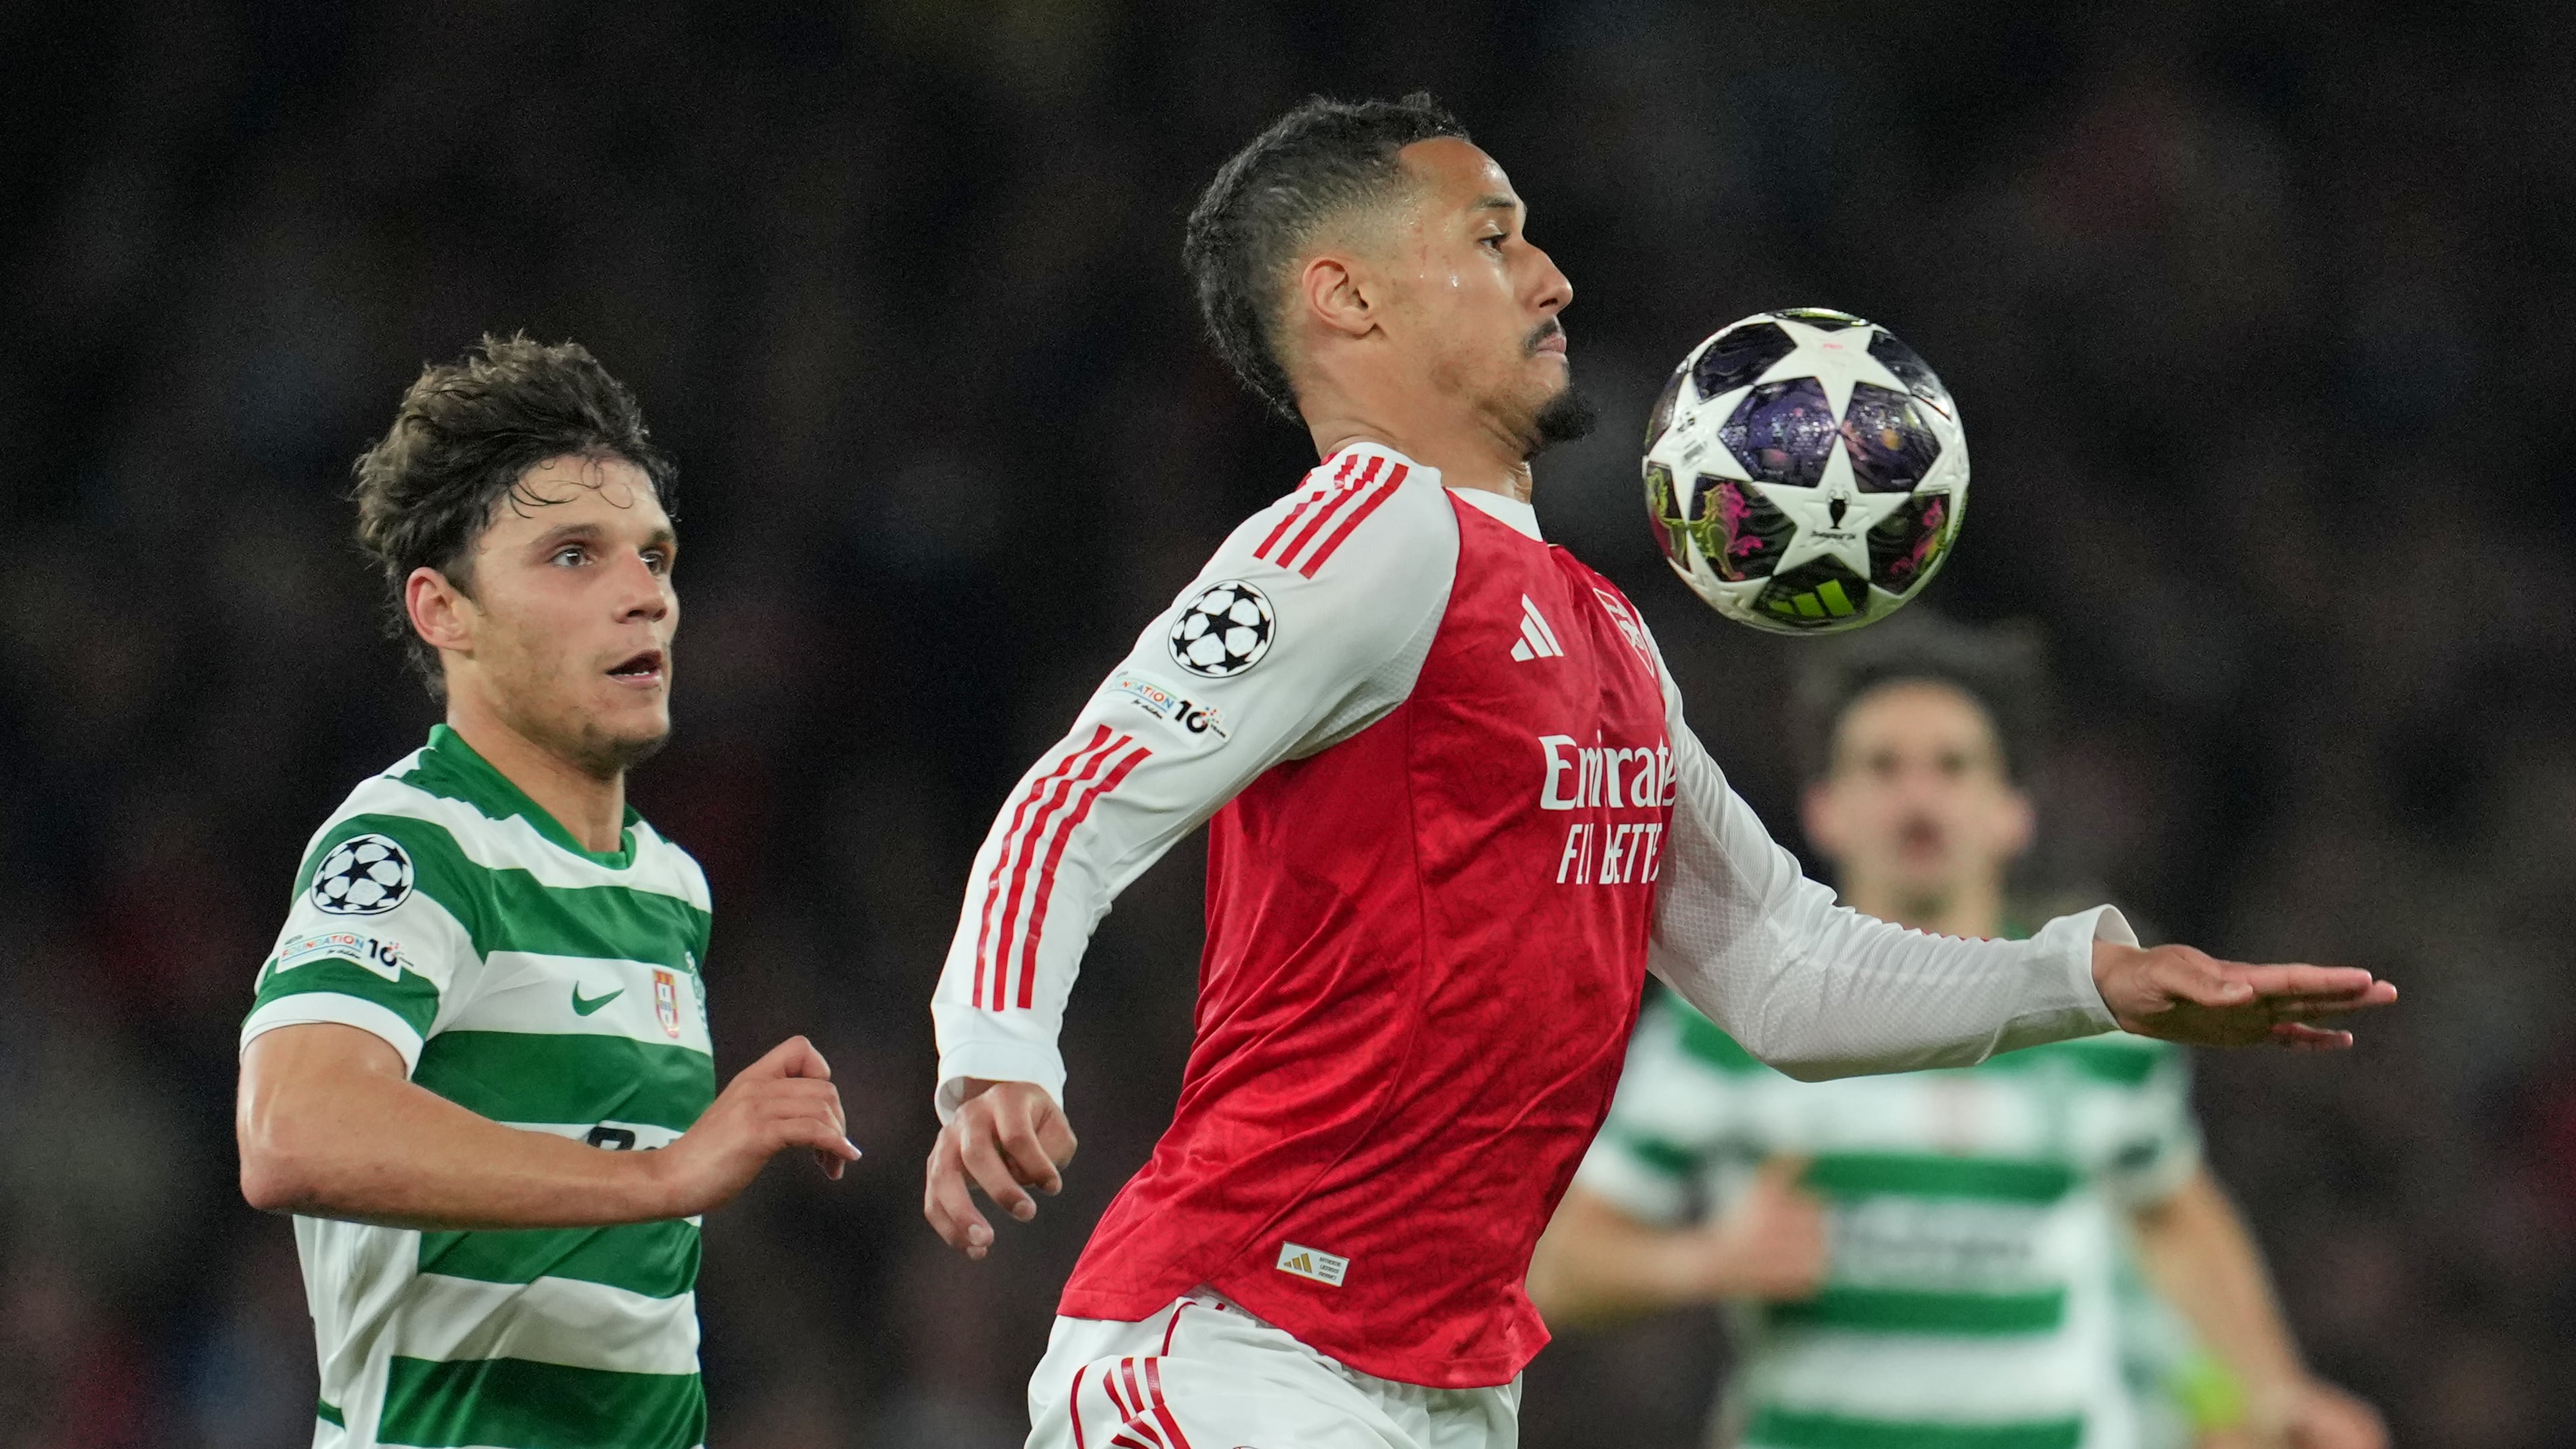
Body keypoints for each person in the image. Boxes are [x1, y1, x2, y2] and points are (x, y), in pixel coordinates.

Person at [920, 95, 2394, 1449]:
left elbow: (1781, 967)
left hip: (1444, 1384)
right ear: (1345, 295)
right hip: (1236, 1347)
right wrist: (996, 1045)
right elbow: (1083, 792)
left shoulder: (1602, 626)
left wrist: (2091, 984)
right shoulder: (1365, 534)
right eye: (1494, 241)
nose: (1552, 277)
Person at [1527, 616, 2387, 1449]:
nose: (1918, 794)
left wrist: (2273, 1392)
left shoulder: (2098, 1015)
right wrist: (1708, 1260)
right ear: (1824, 809)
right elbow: (1558, 1270)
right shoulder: (1726, 1026)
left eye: (1952, 765)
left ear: (2012, 811)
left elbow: (2169, 1210)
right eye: (1882, 766)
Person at [233, 336, 859, 1449]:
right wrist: (665, 1172)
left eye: (655, 557)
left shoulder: (671, 884)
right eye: (574, 557)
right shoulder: (413, 845)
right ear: (444, 611)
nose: (644, 598)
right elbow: (293, 1129)